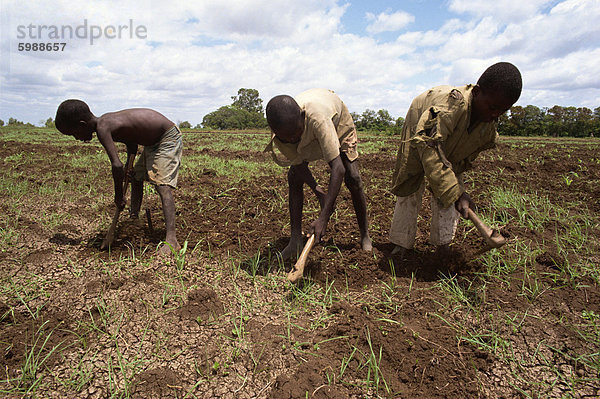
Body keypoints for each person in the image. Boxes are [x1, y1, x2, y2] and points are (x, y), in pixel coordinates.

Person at [389, 62, 522, 257]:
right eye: (493, 107)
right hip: (422, 126)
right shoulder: (448, 107)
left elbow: (458, 164)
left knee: (451, 185)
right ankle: (401, 243)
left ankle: (443, 245)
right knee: (411, 180)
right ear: (477, 92)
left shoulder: (488, 129)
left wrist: (457, 191)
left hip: (451, 139)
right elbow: (430, 151)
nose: (495, 115)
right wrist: (455, 192)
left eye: (502, 111)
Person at [55, 100, 182, 254]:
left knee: (162, 185)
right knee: (135, 177)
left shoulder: (103, 127)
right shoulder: (106, 122)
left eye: (74, 133)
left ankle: (171, 240)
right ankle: (134, 219)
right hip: (151, 142)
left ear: (82, 124)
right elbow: (132, 141)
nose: (77, 138)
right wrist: (130, 162)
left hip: (166, 137)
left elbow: (116, 166)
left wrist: (119, 196)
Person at [264, 88, 372, 260]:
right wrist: (318, 191)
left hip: (337, 123)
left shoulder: (317, 118)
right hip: (308, 134)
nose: (291, 140)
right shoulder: (280, 132)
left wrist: (323, 218)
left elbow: (338, 168)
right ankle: (294, 241)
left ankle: (365, 235)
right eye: (287, 138)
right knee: (293, 176)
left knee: (353, 177)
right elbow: (298, 165)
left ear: (301, 117)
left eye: (295, 133)